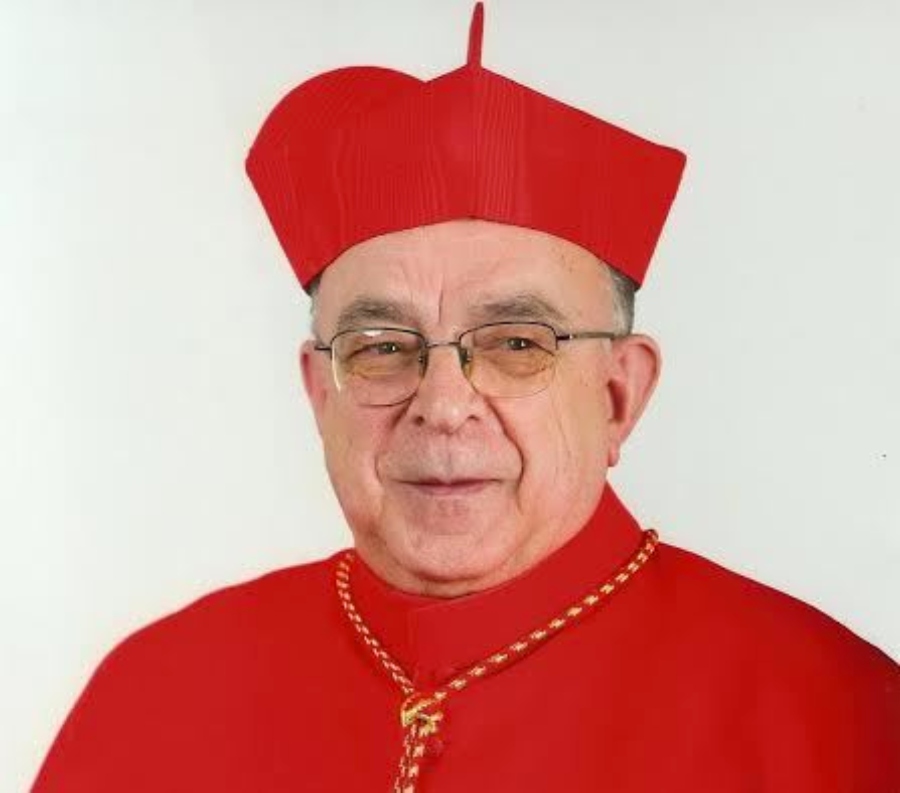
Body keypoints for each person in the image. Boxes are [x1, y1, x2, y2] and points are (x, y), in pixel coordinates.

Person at [33, 4, 899, 791]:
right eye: (381, 348)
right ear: (319, 391)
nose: (444, 406)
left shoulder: (839, 717)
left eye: (517, 344)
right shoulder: (158, 690)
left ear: (619, 394)